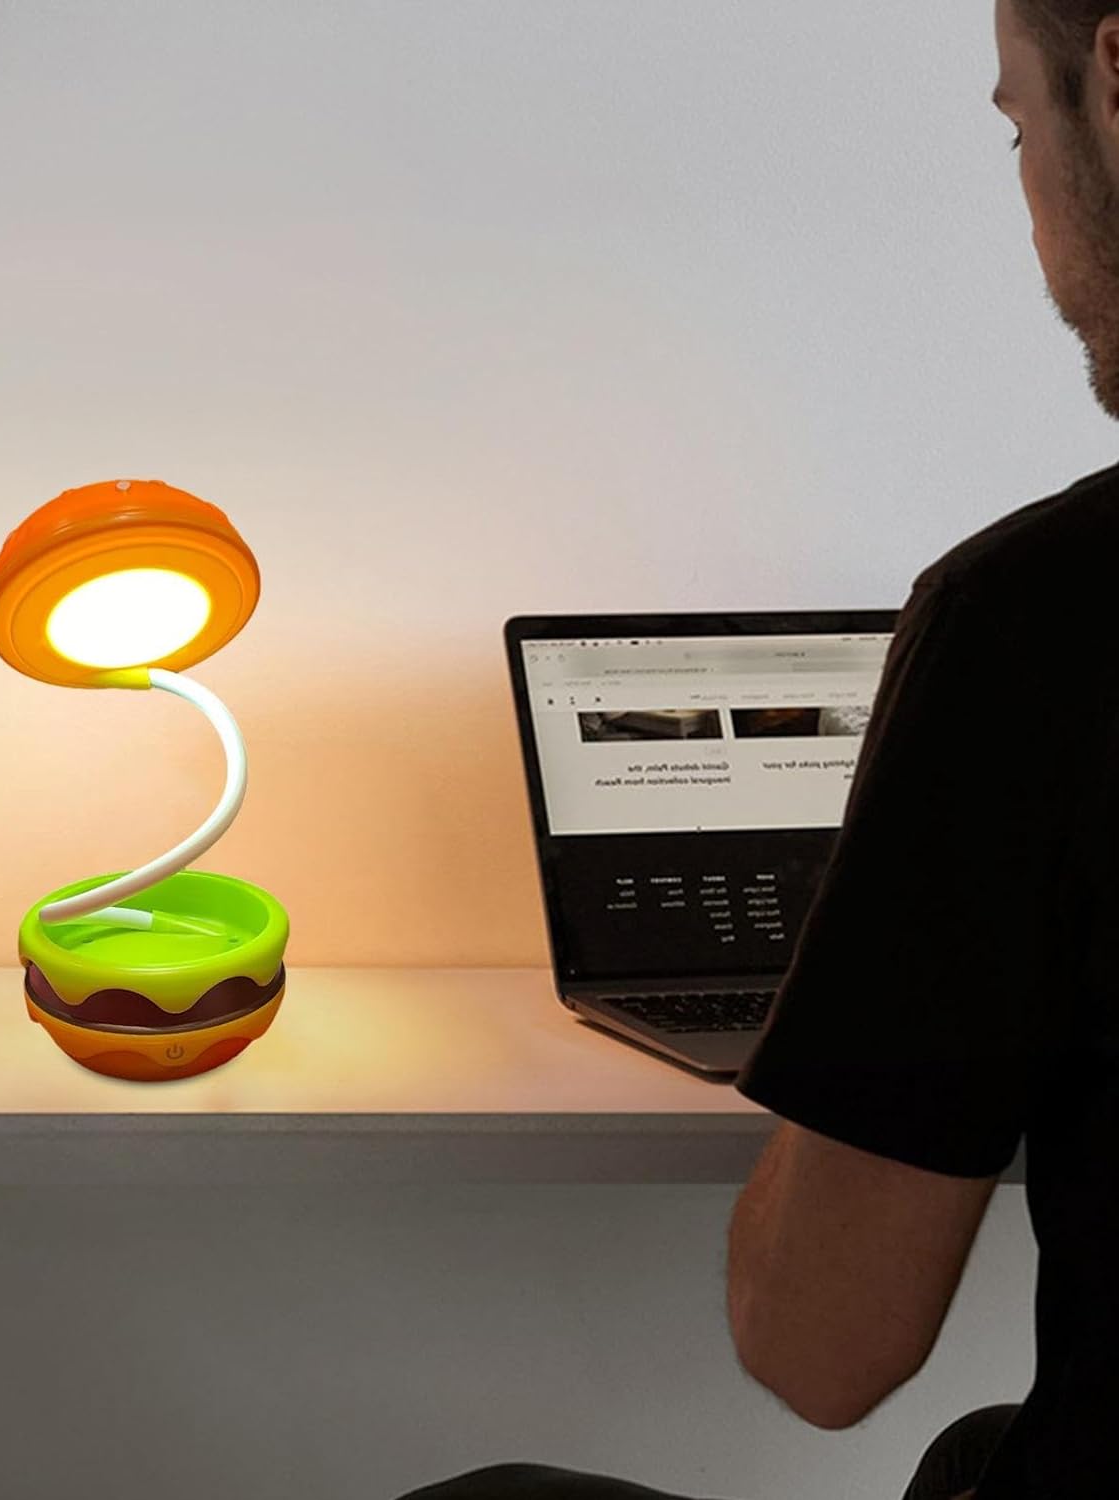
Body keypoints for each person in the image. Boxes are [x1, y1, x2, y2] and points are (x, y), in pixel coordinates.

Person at [396, 2, 1119, 1497]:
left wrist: (878, 1000)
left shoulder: (1039, 622)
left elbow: (819, 1346)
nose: (1031, 201)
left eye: (1016, 129)